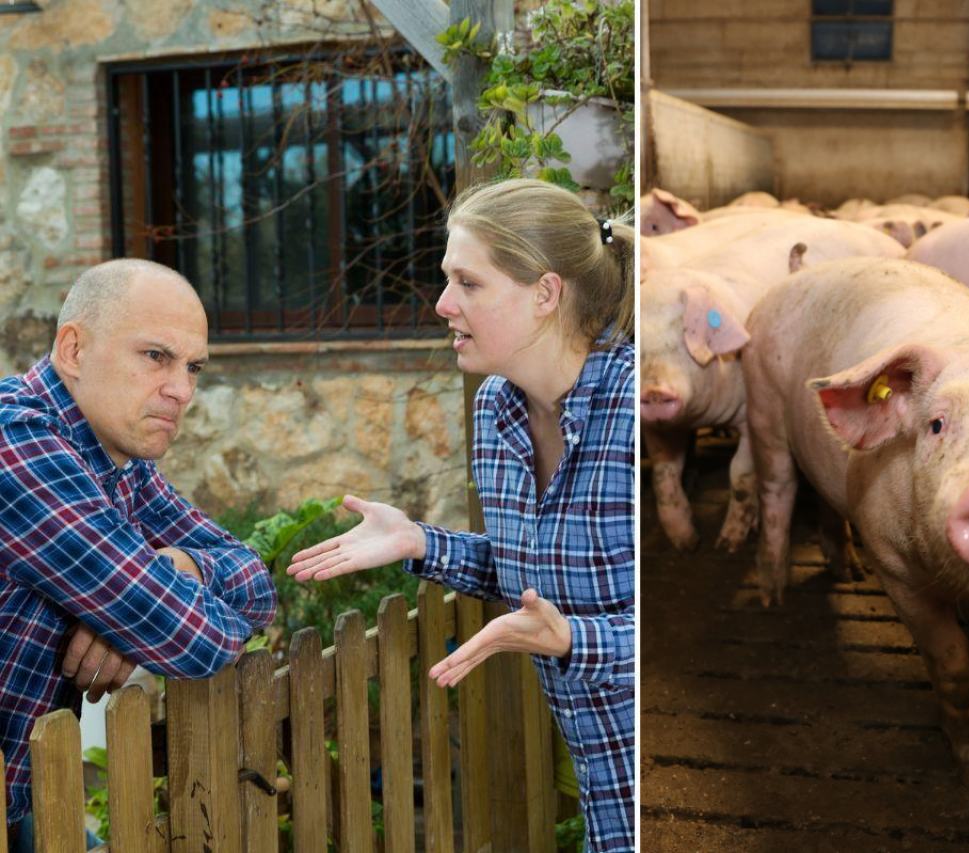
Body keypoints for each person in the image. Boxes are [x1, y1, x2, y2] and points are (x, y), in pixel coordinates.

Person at [289, 178, 636, 852]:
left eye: (467, 283)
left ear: (544, 293)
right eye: (446, 280)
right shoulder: (496, 411)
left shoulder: (630, 411)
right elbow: (532, 573)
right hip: (606, 799)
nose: (443, 303)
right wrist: (420, 541)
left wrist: (571, 641)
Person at [0, 259, 277, 850]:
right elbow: (196, 640)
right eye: (156, 356)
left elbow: (257, 583)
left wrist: (180, 569)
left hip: (19, 802)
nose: (182, 390)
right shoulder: (15, 444)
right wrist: (138, 613)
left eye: (193, 367)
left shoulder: (120, 460)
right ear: (73, 350)